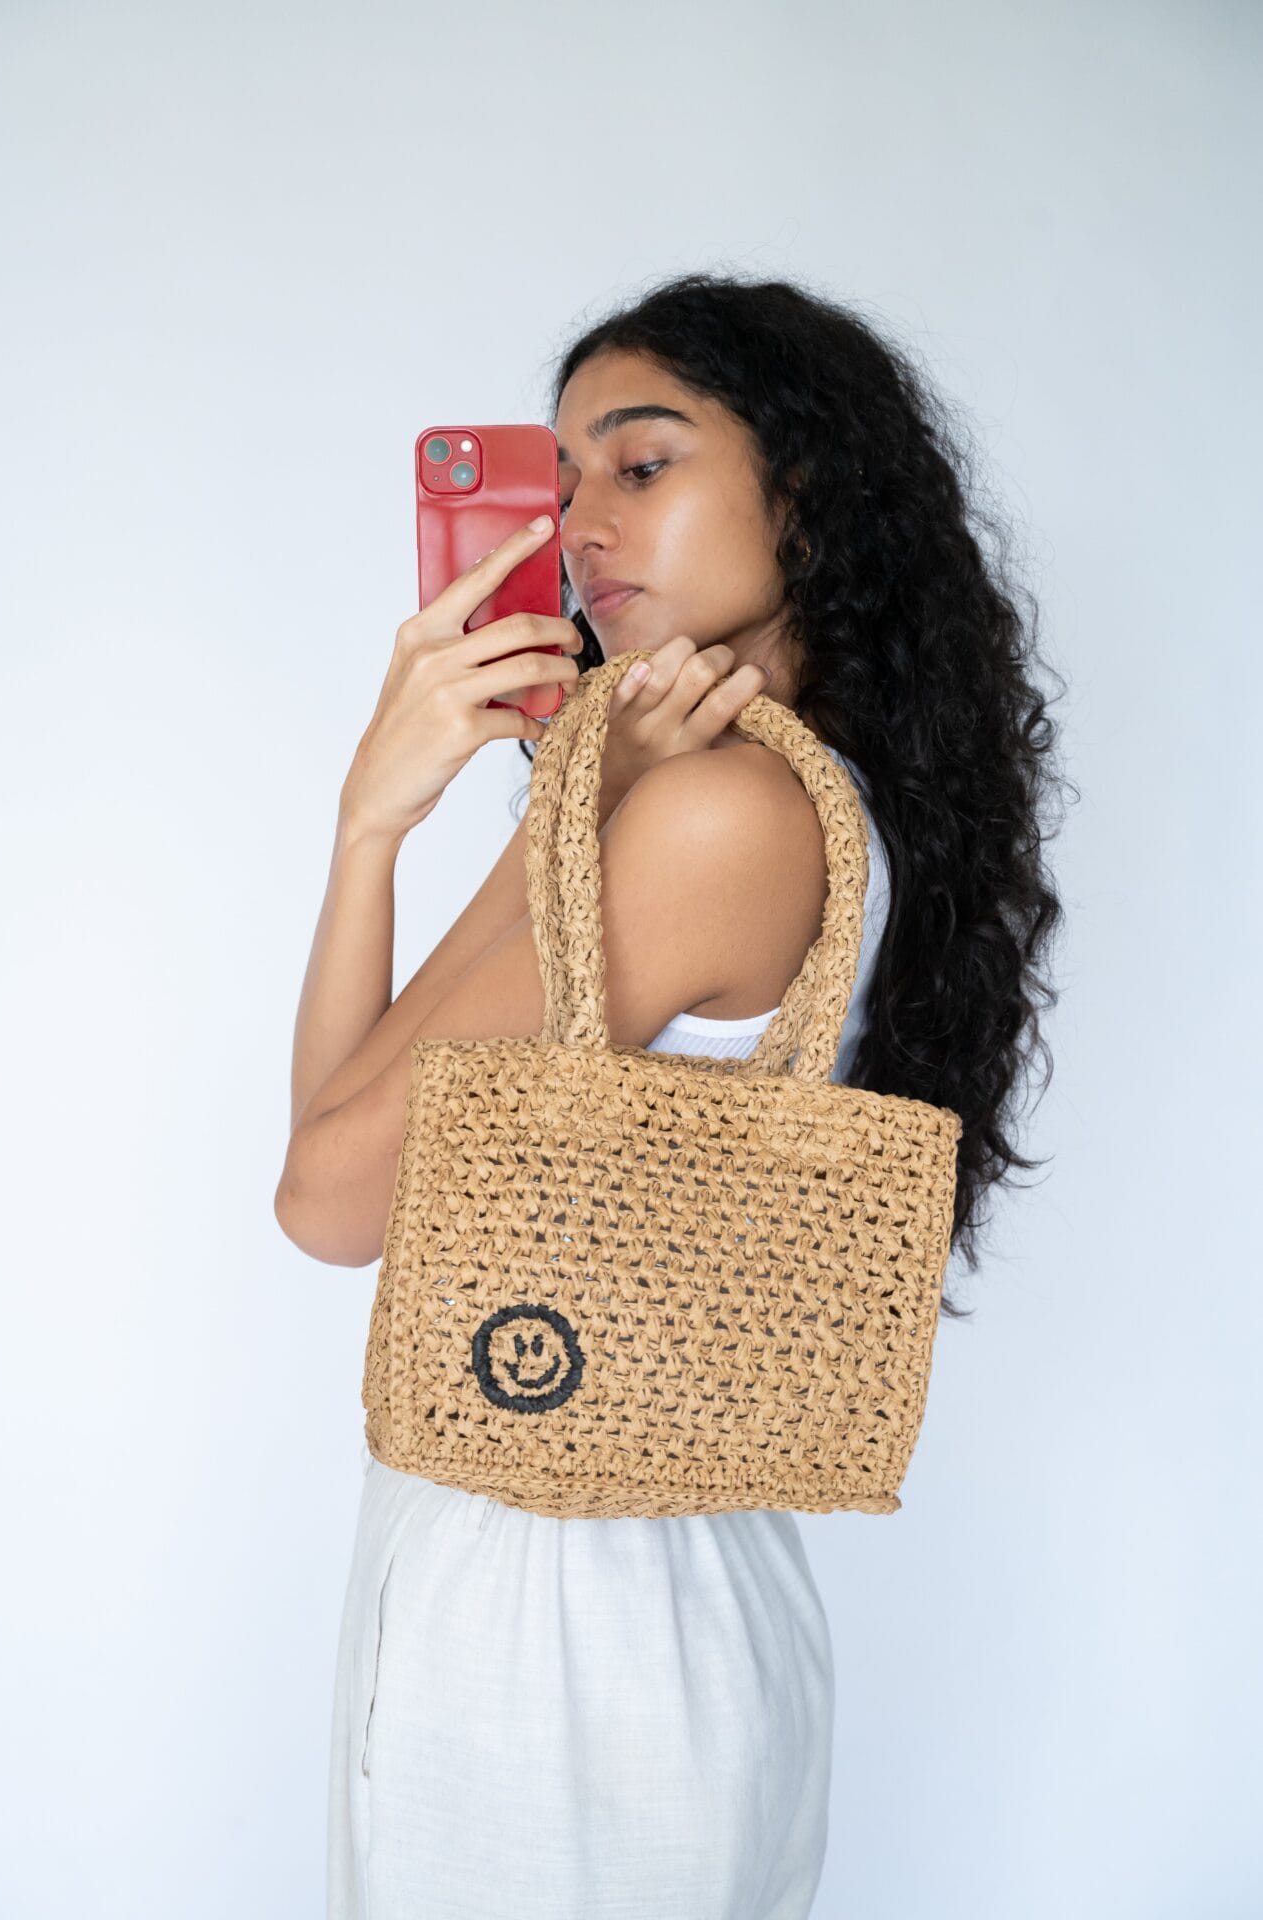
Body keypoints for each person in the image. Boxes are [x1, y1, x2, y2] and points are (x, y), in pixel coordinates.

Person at [274, 271, 1069, 1918]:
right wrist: (402, 830)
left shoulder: (718, 819)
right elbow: (353, 1132)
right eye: (561, 479)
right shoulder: (781, 796)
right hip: (639, 1592)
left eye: (641, 465)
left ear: (807, 490)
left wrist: (425, 818)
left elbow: (330, 1203)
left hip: (563, 1628)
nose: (579, 526)